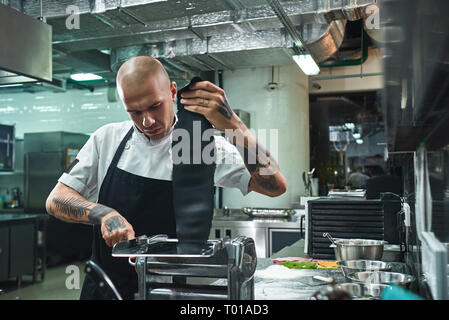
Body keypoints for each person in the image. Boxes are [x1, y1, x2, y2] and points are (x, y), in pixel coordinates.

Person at [45, 56, 287, 299]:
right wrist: (103, 214)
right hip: (104, 288)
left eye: (154, 106)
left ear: (172, 91)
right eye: (135, 112)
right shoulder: (107, 139)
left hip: (165, 291)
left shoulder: (197, 145)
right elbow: (56, 200)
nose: (147, 121)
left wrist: (234, 125)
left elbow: (275, 186)